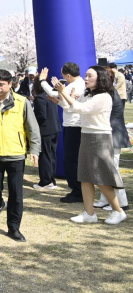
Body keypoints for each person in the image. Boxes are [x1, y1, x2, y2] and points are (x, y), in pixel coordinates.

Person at [53, 66, 126, 224]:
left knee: (101, 178)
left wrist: (64, 93)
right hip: (86, 135)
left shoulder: (104, 96)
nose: (86, 78)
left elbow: (82, 109)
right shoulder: (87, 93)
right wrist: (62, 94)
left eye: (90, 76)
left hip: (100, 137)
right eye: (85, 75)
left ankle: (118, 211)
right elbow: (70, 107)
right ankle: (89, 213)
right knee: (85, 176)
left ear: (100, 78)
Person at [0, 70, 41, 242]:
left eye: (1, 84)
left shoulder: (22, 102)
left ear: (10, 84)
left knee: (16, 193)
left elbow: (32, 127)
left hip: (16, 154)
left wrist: (34, 150)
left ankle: (13, 227)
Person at [39, 63, 85, 203]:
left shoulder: (74, 85)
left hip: (74, 126)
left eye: (63, 75)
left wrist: (42, 80)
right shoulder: (79, 84)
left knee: (72, 159)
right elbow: (68, 105)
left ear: (68, 75)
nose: (62, 77)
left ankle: (77, 191)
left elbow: (53, 92)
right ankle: (77, 190)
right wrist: (57, 101)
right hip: (74, 125)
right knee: (73, 159)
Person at [92, 80, 130, 211]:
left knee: (112, 169)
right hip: (109, 135)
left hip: (113, 136)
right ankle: (105, 199)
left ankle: (122, 202)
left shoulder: (109, 94)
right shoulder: (108, 93)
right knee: (104, 170)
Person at [32, 76, 61, 190]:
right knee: (51, 156)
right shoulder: (51, 95)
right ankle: (51, 180)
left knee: (45, 156)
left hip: (45, 131)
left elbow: (41, 116)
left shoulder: (40, 98)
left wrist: (33, 124)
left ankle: (46, 181)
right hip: (55, 129)